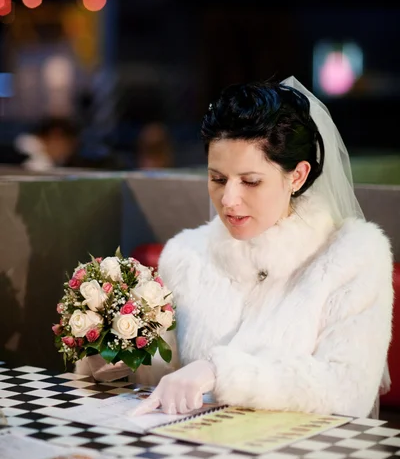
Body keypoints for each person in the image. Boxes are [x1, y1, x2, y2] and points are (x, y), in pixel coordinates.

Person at [79, 77, 393, 419]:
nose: (228, 200)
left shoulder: (352, 256)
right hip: (193, 452)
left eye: (251, 181)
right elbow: (163, 374)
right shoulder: (187, 255)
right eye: (217, 178)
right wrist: (110, 347)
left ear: (298, 176)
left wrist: (221, 371)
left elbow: (348, 390)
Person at [14, 117, 79, 171]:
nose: (68, 151)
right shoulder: (35, 161)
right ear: (55, 135)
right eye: (67, 145)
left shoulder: (51, 162)